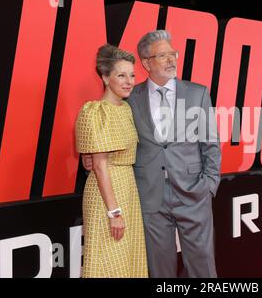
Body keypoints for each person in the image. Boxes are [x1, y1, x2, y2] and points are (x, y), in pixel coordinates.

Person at [83, 30, 221, 277]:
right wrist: (91, 156)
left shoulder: (197, 92)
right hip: (149, 197)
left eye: (173, 54)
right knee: (160, 270)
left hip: (193, 193)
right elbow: (117, 139)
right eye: (162, 55)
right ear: (146, 63)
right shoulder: (130, 97)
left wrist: (209, 184)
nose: (171, 60)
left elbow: (211, 142)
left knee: (203, 267)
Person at [75, 44, 148, 278]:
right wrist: (114, 213)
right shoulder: (95, 111)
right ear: (106, 78)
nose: (129, 81)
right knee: (106, 262)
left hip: (127, 188)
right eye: (121, 75)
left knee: (127, 260)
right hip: (106, 195)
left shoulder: (125, 109)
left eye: (132, 75)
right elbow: (99, 164)